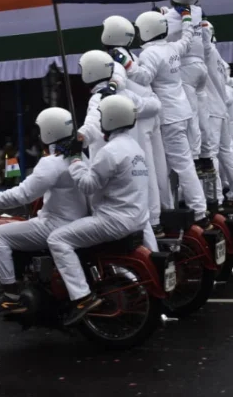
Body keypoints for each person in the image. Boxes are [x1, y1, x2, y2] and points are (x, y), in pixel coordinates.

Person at [49, 95, 152, 326]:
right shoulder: (134, 147)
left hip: (114, 220)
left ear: (111, 119)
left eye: (103, 117)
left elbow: (88, 185)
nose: (101, 121)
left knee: (57, 239)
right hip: (137, 218)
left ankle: (81, 297)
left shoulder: (110, 151)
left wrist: (75, 159)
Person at [0, 107, 90, 315]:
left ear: (48, 132)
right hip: (78, 222)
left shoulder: (52, 162)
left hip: (56, 224)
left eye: (40, 130)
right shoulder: (78, 156)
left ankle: (11, 296)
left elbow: (23, 194)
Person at [126, 8, 207, 223]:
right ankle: (176, 206)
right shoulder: (172, 47)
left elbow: (143, 77)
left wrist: (125, 63)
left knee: (182, 165)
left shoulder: (150, 54)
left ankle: (199, 211)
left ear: (147, 30)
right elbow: (187, 40)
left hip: (169, 116)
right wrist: (187, 18)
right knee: (178, 165)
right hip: (182, 111)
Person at [77, 49, 161, 244]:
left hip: (106, 169)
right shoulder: (126, 95)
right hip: (131, 162)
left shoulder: (99, 99)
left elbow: (92, 125)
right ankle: (153, 256)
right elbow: (155, 106)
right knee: (140, 216)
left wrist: (76, 140)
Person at [201, 21, 233, 201]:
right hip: (221, 110)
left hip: (212, 110)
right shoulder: (220, 58)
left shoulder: (207, 51)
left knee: (211, 155)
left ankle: (216, 197)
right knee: (226, 153)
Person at [163, 0, 208, 159]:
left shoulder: (169, 17)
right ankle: (207, 153)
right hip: (201, 66)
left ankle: (195, 156)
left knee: (192, 114)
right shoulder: (197, 11)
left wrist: (159, 16)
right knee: (203, 113)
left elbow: (159, 34)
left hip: (186, 66)